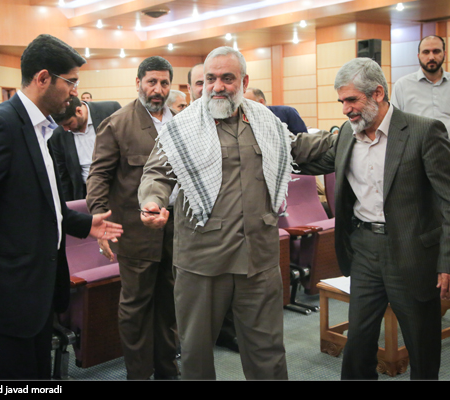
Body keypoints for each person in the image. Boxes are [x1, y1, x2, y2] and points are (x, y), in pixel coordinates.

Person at [0, 34, 123, 380]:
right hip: (7, 294)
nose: (74, 92)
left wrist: (83, 224)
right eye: (70, 82)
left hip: (37, 291)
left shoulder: (42, 129)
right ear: (43, 78)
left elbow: (39, 203)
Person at [137, 46, 329, 380]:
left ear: (244, 82)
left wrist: (348, 135)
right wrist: (153, 201)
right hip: (202, 262)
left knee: (268, 351)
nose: (217, 86)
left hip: (258, 259)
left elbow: (299, 148)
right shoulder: (183, 127)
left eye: (227, 78)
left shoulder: (265, 121)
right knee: (196, 354)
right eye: (211, 78)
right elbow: (157, 174)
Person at [298, 57, 450, 380]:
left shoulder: (424, 131)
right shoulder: (347, 134)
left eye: (351, 100)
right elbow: (313, 161)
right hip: (364, 249)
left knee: (421, 344)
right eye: (341, 101)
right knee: (358, 343)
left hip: (412, 251)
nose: (345, 109)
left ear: (377, 93)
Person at [86, 56, 179, 380]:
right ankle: (138, 374)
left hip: (175, 231)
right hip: (136, 233)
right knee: (136, 308)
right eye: (151, 82)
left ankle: (168, 371)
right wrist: (100, 219)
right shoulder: (118, 123)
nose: (158, 89)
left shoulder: (180, 122)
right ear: (138, 83)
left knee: (169, 305)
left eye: (164, 83)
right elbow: (98, 176)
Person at [391, 35, 450, 185]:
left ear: (444, 54)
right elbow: (394, 127)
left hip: (449, 161)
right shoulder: (402, 85)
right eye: (426, 52)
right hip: (413, 162)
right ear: (418, 56)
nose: (431, 57)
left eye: (436, 51)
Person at [50, 96, 121, 200]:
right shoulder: (57, 134)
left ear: (79, 111)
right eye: (62, 126)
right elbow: (63, 175)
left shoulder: (110, 111)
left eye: (68, 123)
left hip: (118, 188)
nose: (66, 129)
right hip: (86, 193)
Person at [244, 87, 308, 134]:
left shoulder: (288, 112)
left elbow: (302, 138)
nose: (244, 107)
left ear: (261, 102)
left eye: (247, 104)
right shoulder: (246, 119)